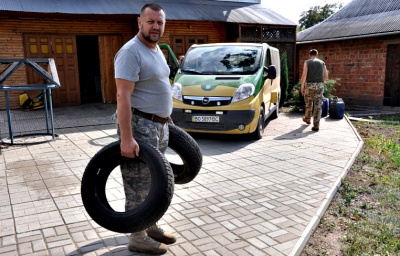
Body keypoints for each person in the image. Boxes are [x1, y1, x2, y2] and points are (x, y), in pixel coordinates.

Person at [114, 3, 176, 254]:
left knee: (155, 181)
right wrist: (127, 138)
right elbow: (123, 97)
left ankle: (150, 224)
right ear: (139, 22)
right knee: (137, 183)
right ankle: (137, 235)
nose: (156, 26)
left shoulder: (157, 49)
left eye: (160, 22)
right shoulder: (131, 51)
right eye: (150, 21)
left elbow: (157, 85)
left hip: (159, 126)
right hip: (139, 126)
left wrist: (165, 116)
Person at [301, 49, 328, 131]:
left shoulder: (307, 62)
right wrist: (320, 83)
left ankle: (307, 119)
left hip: (309, 85)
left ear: (310, 55)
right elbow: (326, 77)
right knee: (318, 106)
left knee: (308, 103)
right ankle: (316, 125)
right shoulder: (322, 63)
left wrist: (302, 87)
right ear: (317, 55)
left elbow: (304, 74)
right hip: (319, 85)